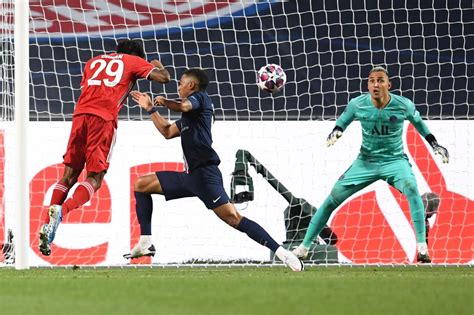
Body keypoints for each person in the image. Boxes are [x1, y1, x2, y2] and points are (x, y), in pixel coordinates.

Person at [125, 68, 303, 271]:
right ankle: (146, 242)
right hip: (191, 177)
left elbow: (184, 106)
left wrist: (164, 101)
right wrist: (150, 109)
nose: (178, 86)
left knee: (234, 219)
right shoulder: (190, 117)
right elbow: (166, 131)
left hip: (206, 175)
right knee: (141, 184)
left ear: (191, 86)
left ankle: (282, 254)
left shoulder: (200, 98)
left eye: (181, 83)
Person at [292, 66, 449, 263]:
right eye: (372, 80)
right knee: (332, 198)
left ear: (388, 85)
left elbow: (420, 125)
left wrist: (435, 144)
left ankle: (422, 247)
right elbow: (343, 121)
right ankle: (304, 247)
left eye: (380, 80)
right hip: (365, 162)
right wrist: (336, 131)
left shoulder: (403, 105)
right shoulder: (357, 104)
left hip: (394, 161)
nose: (376, 84)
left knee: (411, 189)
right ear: (368, 85)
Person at [38, 39, 171, 256]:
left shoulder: (93, 61)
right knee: (95, 178)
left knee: (68, 176)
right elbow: (164, 78)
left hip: (80, 116)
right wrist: (157, 66)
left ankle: (47, 224)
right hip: (103, 119)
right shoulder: (132, 61)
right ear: (138, 56)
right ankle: (63, 212)